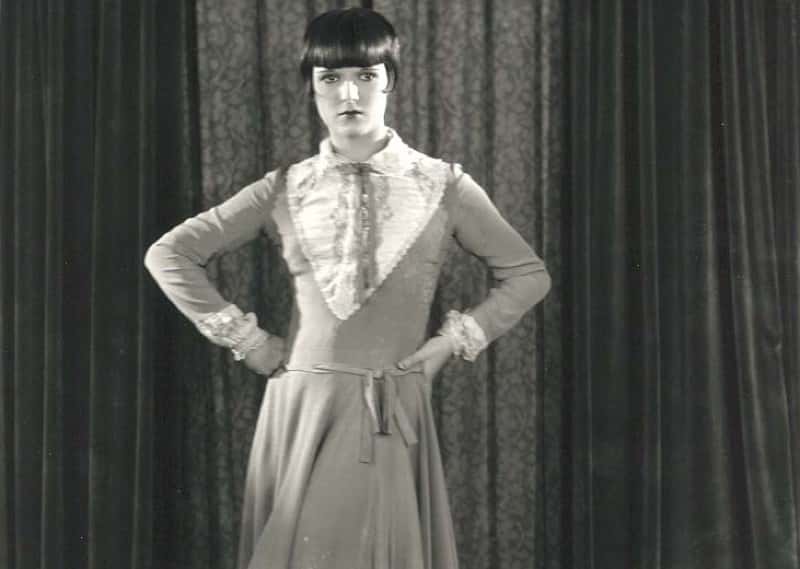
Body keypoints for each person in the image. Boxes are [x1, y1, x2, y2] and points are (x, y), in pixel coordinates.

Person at [144, 7, 551, 569]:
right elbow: (169, 254)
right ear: (312, 91)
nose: (348, 93)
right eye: (330, 79)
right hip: (301, 410)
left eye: (365, 75)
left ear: (391, 81)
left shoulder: (443, 185)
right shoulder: (284, 187)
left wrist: (446, 345)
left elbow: (529, 275)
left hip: (389, 404)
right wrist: (251, 342)